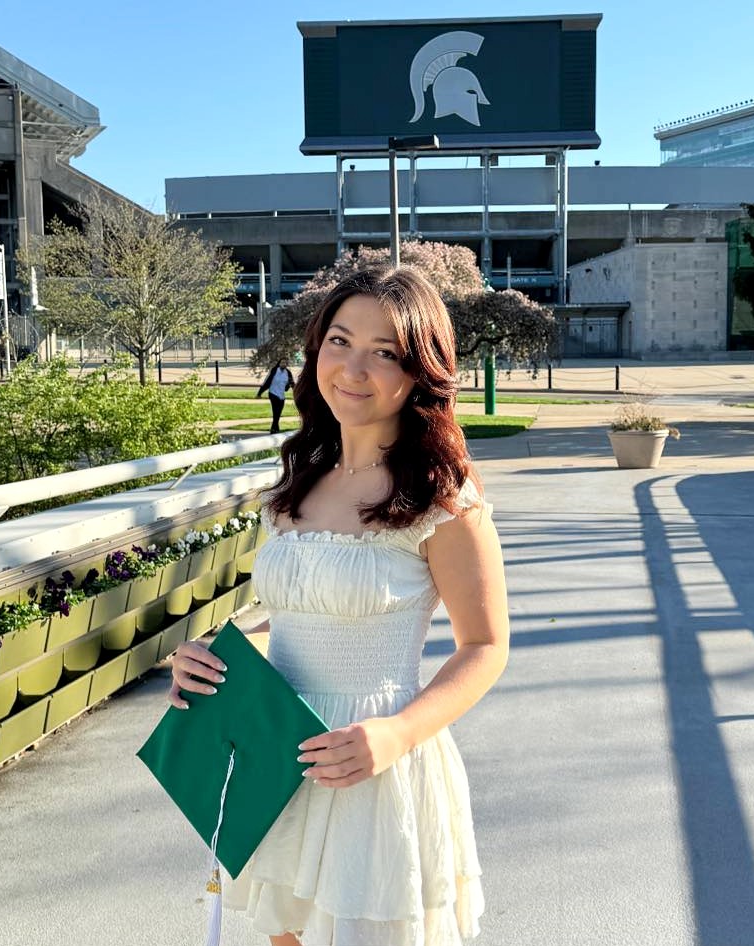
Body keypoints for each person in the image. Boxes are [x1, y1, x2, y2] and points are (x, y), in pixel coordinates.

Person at [170, 266, 510, 946]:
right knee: (287, 936)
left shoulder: (442, 499)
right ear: (314, 349)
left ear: (420, 371)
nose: (354, 368)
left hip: (374, 765)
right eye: (339, 341)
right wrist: (215, 662)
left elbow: (485, 647)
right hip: (280, 756)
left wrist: (397, 735)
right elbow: (291, 620)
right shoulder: (296, 485)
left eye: (385, 352)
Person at [257, 357, 295, 433]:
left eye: (285, 363)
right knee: (276, 412)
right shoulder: (274, 371)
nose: (283, 364)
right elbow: (267, 382)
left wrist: (294, 389)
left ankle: (275, 428)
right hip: (273, 394)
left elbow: (288, 387)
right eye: (282, 363)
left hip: (282, 396)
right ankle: (274, 429)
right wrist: (260, 393)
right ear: (279, 363)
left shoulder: (288, 373)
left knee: (278, 413)